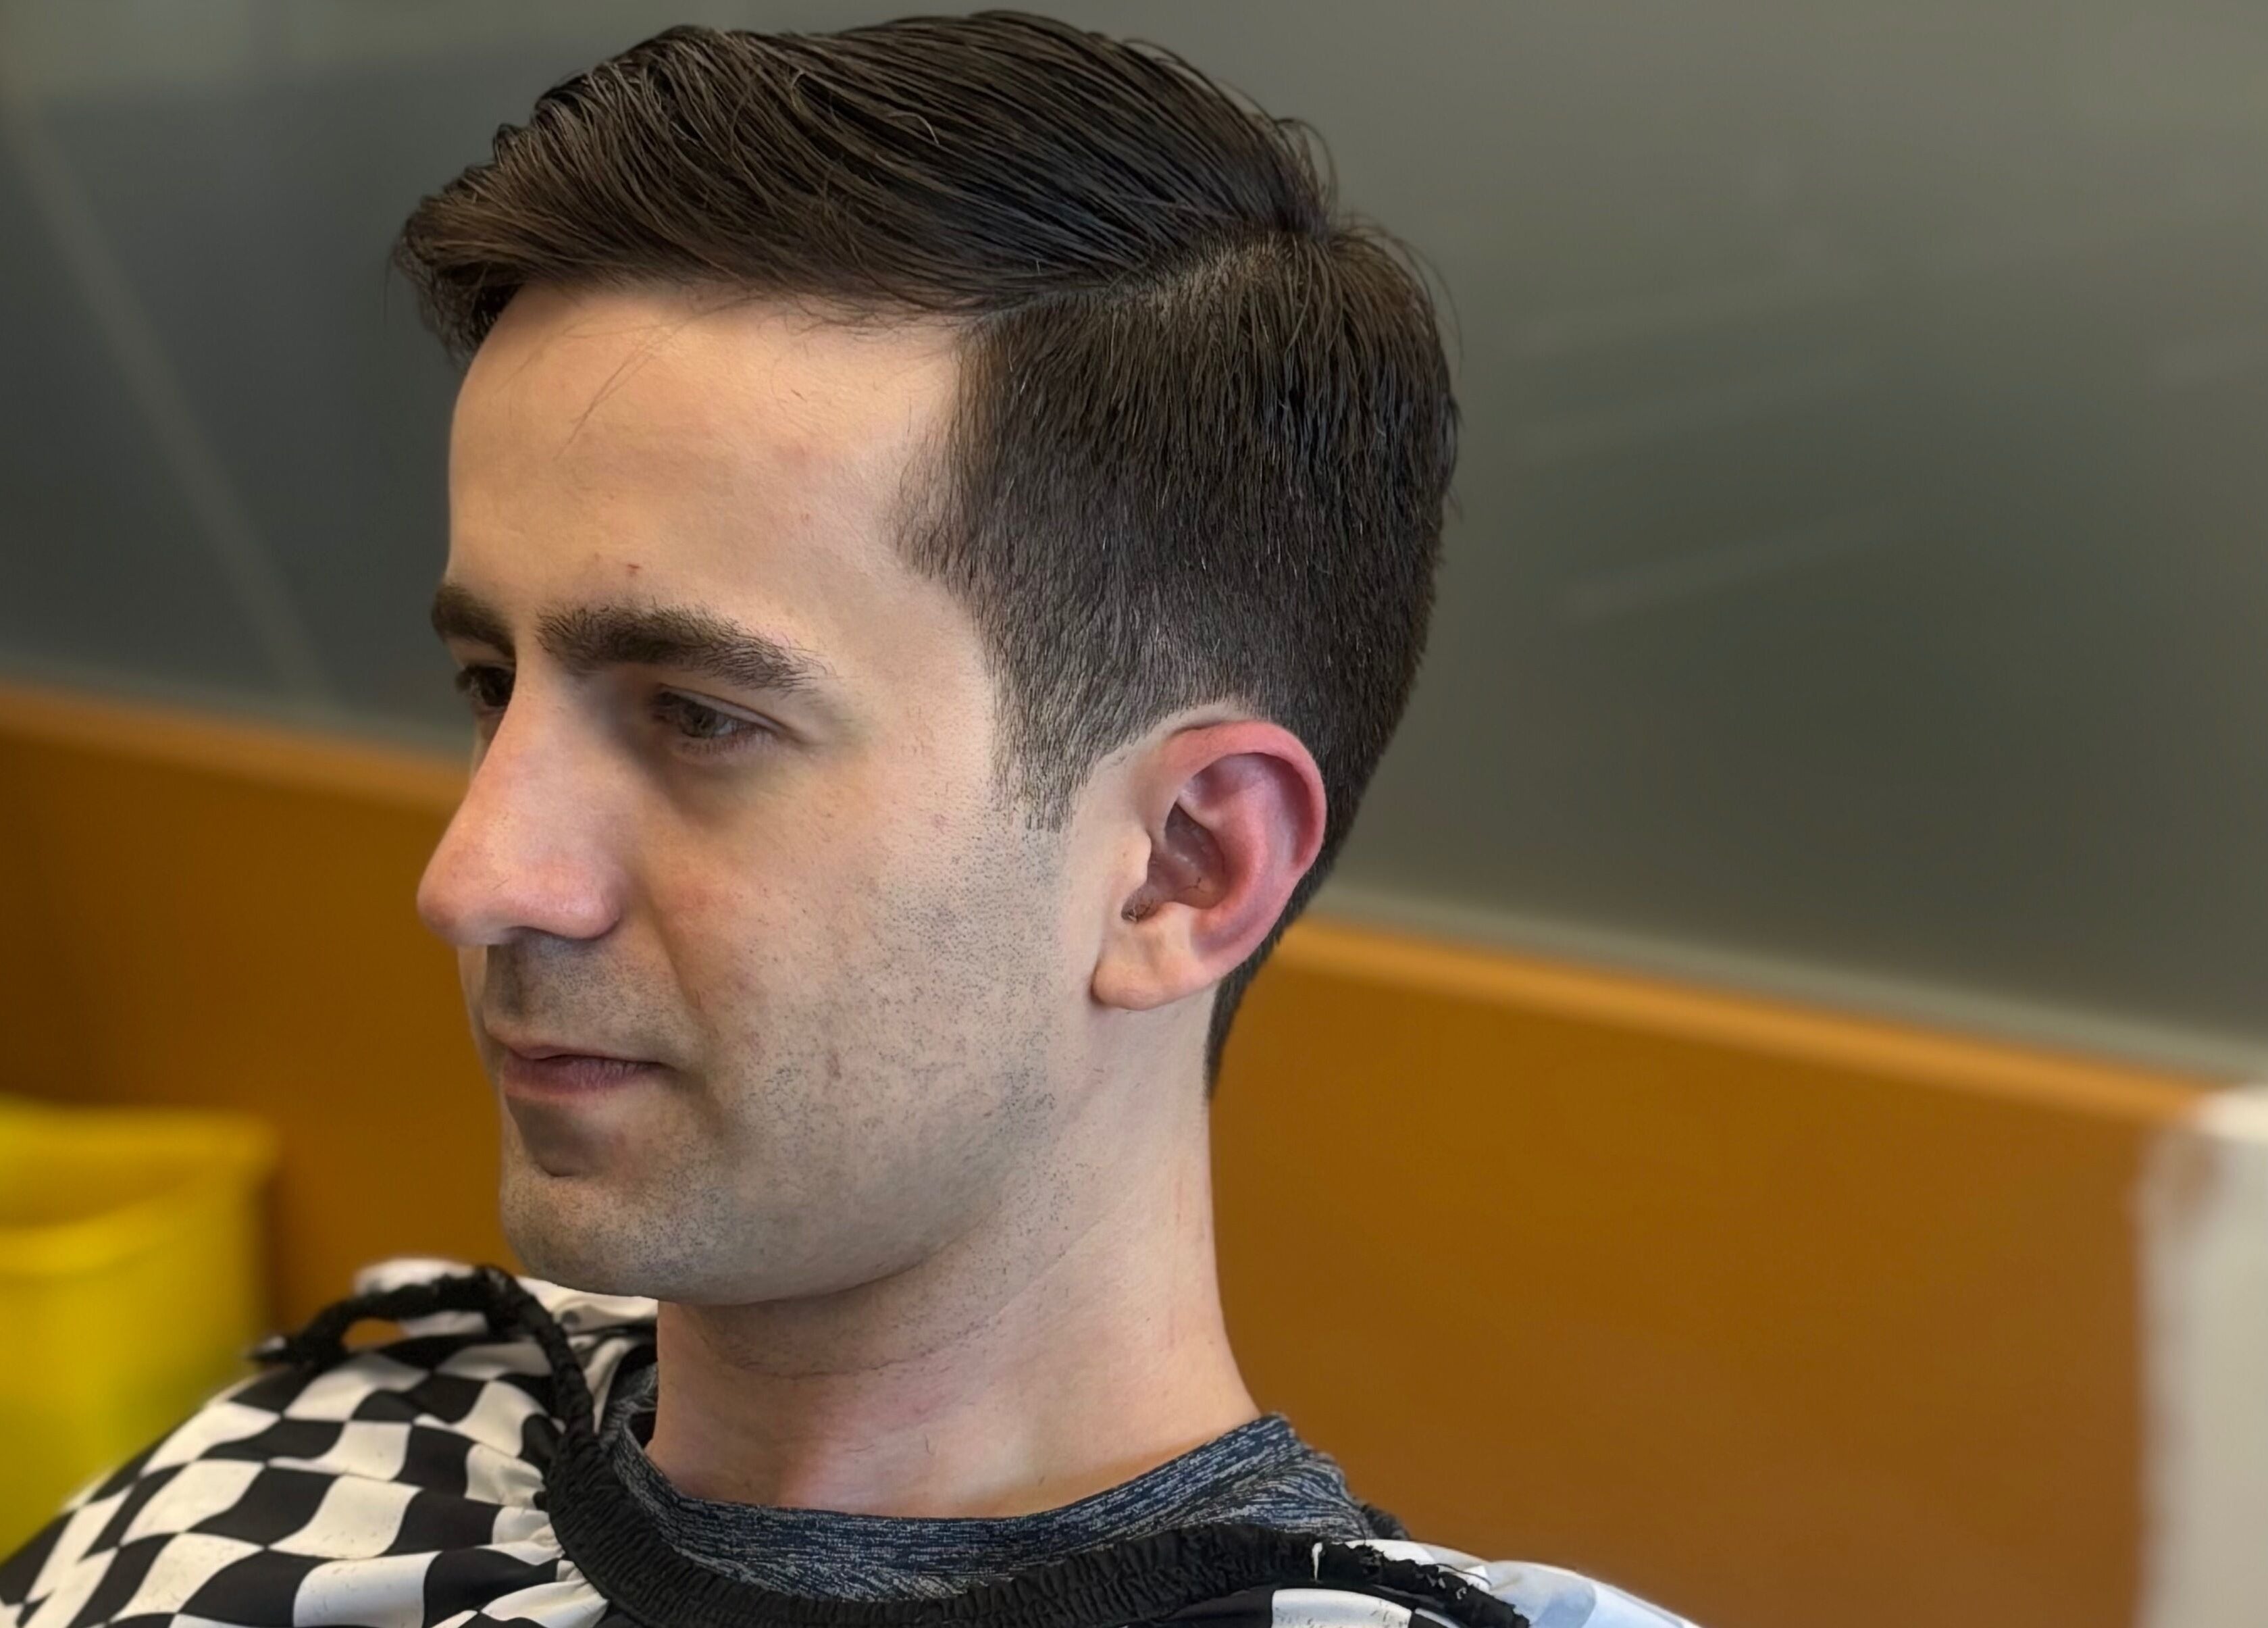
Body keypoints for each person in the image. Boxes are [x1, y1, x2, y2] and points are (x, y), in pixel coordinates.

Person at [0, 16, 1696, 1628]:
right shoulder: (316, 1439)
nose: (475, 878)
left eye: (702, 716)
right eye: (483, 681)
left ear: (1181, 865)